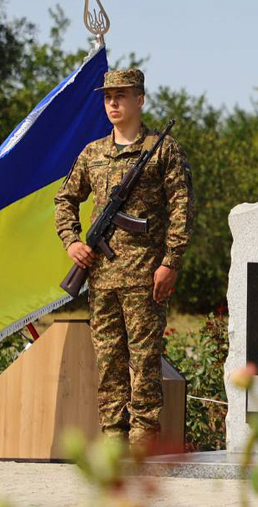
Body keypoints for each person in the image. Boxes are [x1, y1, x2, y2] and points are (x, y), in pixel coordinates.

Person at [54, 68, 194, 449]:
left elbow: (182, 208)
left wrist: (171, 262)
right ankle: (113, 438)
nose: (113, 102)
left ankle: (142, 440)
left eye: (121, 95)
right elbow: (65, 200)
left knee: (145, 361)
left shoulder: (162, 149)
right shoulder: (92, 153)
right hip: (101, 276)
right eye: (107, 96)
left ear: (140, 99)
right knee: (109, 362)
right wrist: (71, 241)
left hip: (145, 275)